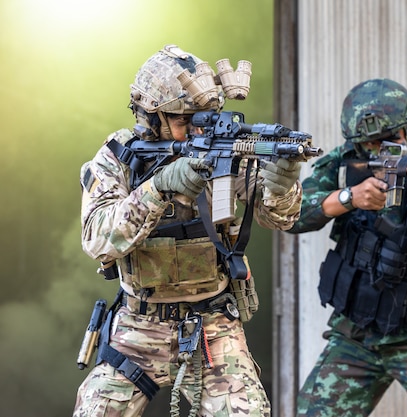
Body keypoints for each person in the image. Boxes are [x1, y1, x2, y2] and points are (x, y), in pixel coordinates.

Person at [74, 44, 302, 417]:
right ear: (152, 118)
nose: (199, 130)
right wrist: (158, 187)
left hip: (213, 326)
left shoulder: (224, 151)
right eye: (185, 122)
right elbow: (98, 238)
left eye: (206, 119)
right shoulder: (119, 158)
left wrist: (282, 186)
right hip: (138, 329)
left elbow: (281, 219)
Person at [287, 78, 407, 417]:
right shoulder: (345, 163)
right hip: (356, 332)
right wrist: (348, 198)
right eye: (371, 144)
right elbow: (291, 214)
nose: (381, 151)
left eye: (391, 139)